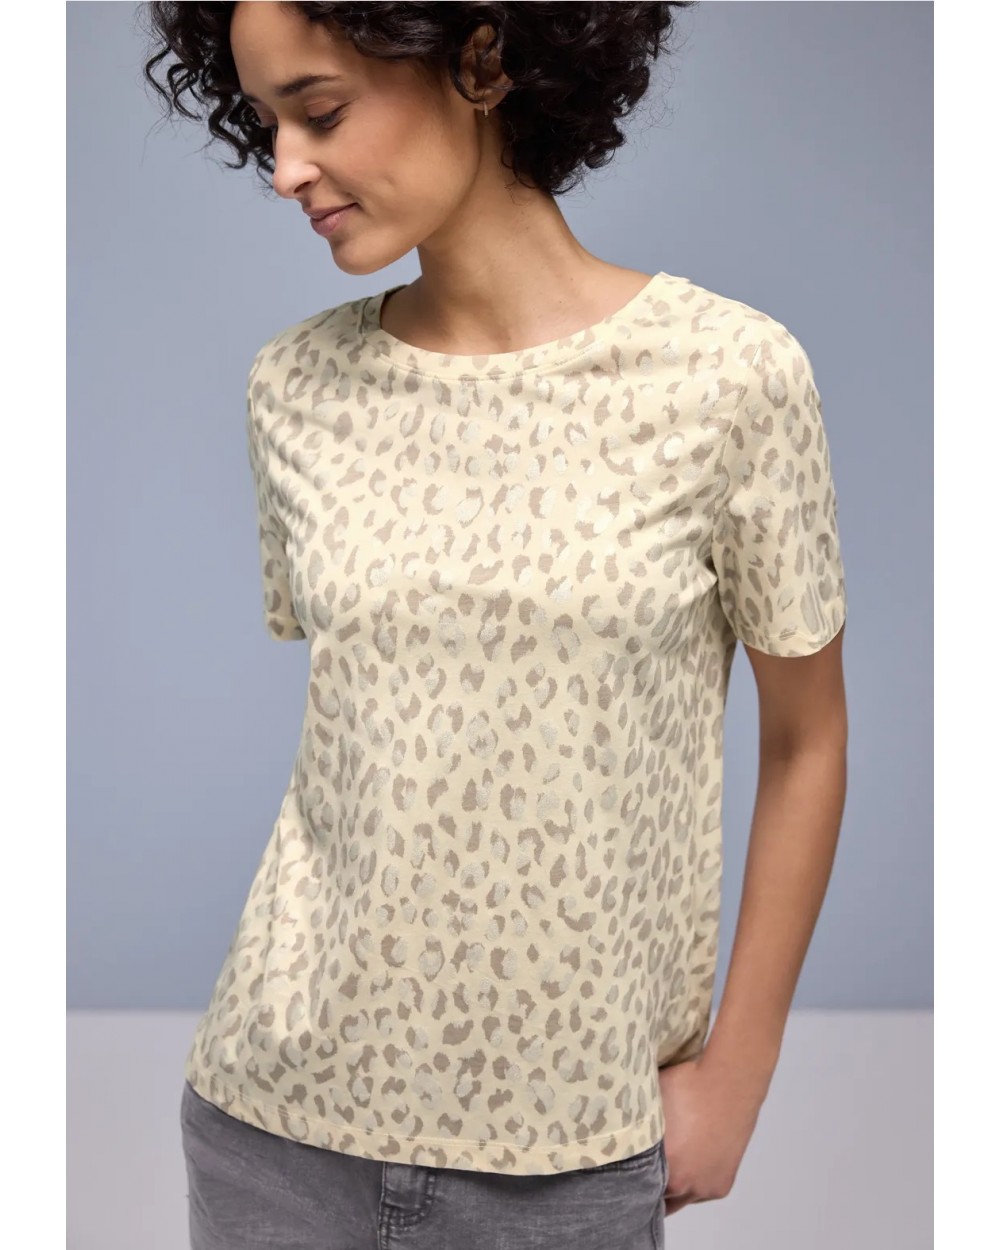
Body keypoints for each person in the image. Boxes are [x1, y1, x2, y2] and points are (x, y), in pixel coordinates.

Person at [141, 3, 849, 1247]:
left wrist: (737, 1072)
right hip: (274, 1125)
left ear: (478, 60)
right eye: (265, 124)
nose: (285, 168)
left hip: (566, 1153)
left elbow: (807, 741)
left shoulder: (728, 377)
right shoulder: (295, 387)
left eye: (320, 111)